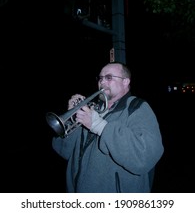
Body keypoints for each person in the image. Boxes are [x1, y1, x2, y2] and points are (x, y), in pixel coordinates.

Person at [51, 62, 164, 193]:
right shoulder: (93, 110)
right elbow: (64, 151)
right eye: (100, 78)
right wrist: (70, 118)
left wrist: (99, 126)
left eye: (109, 78)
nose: (102, 82)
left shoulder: (137, 108)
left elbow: (144, 157)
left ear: (125, 82)